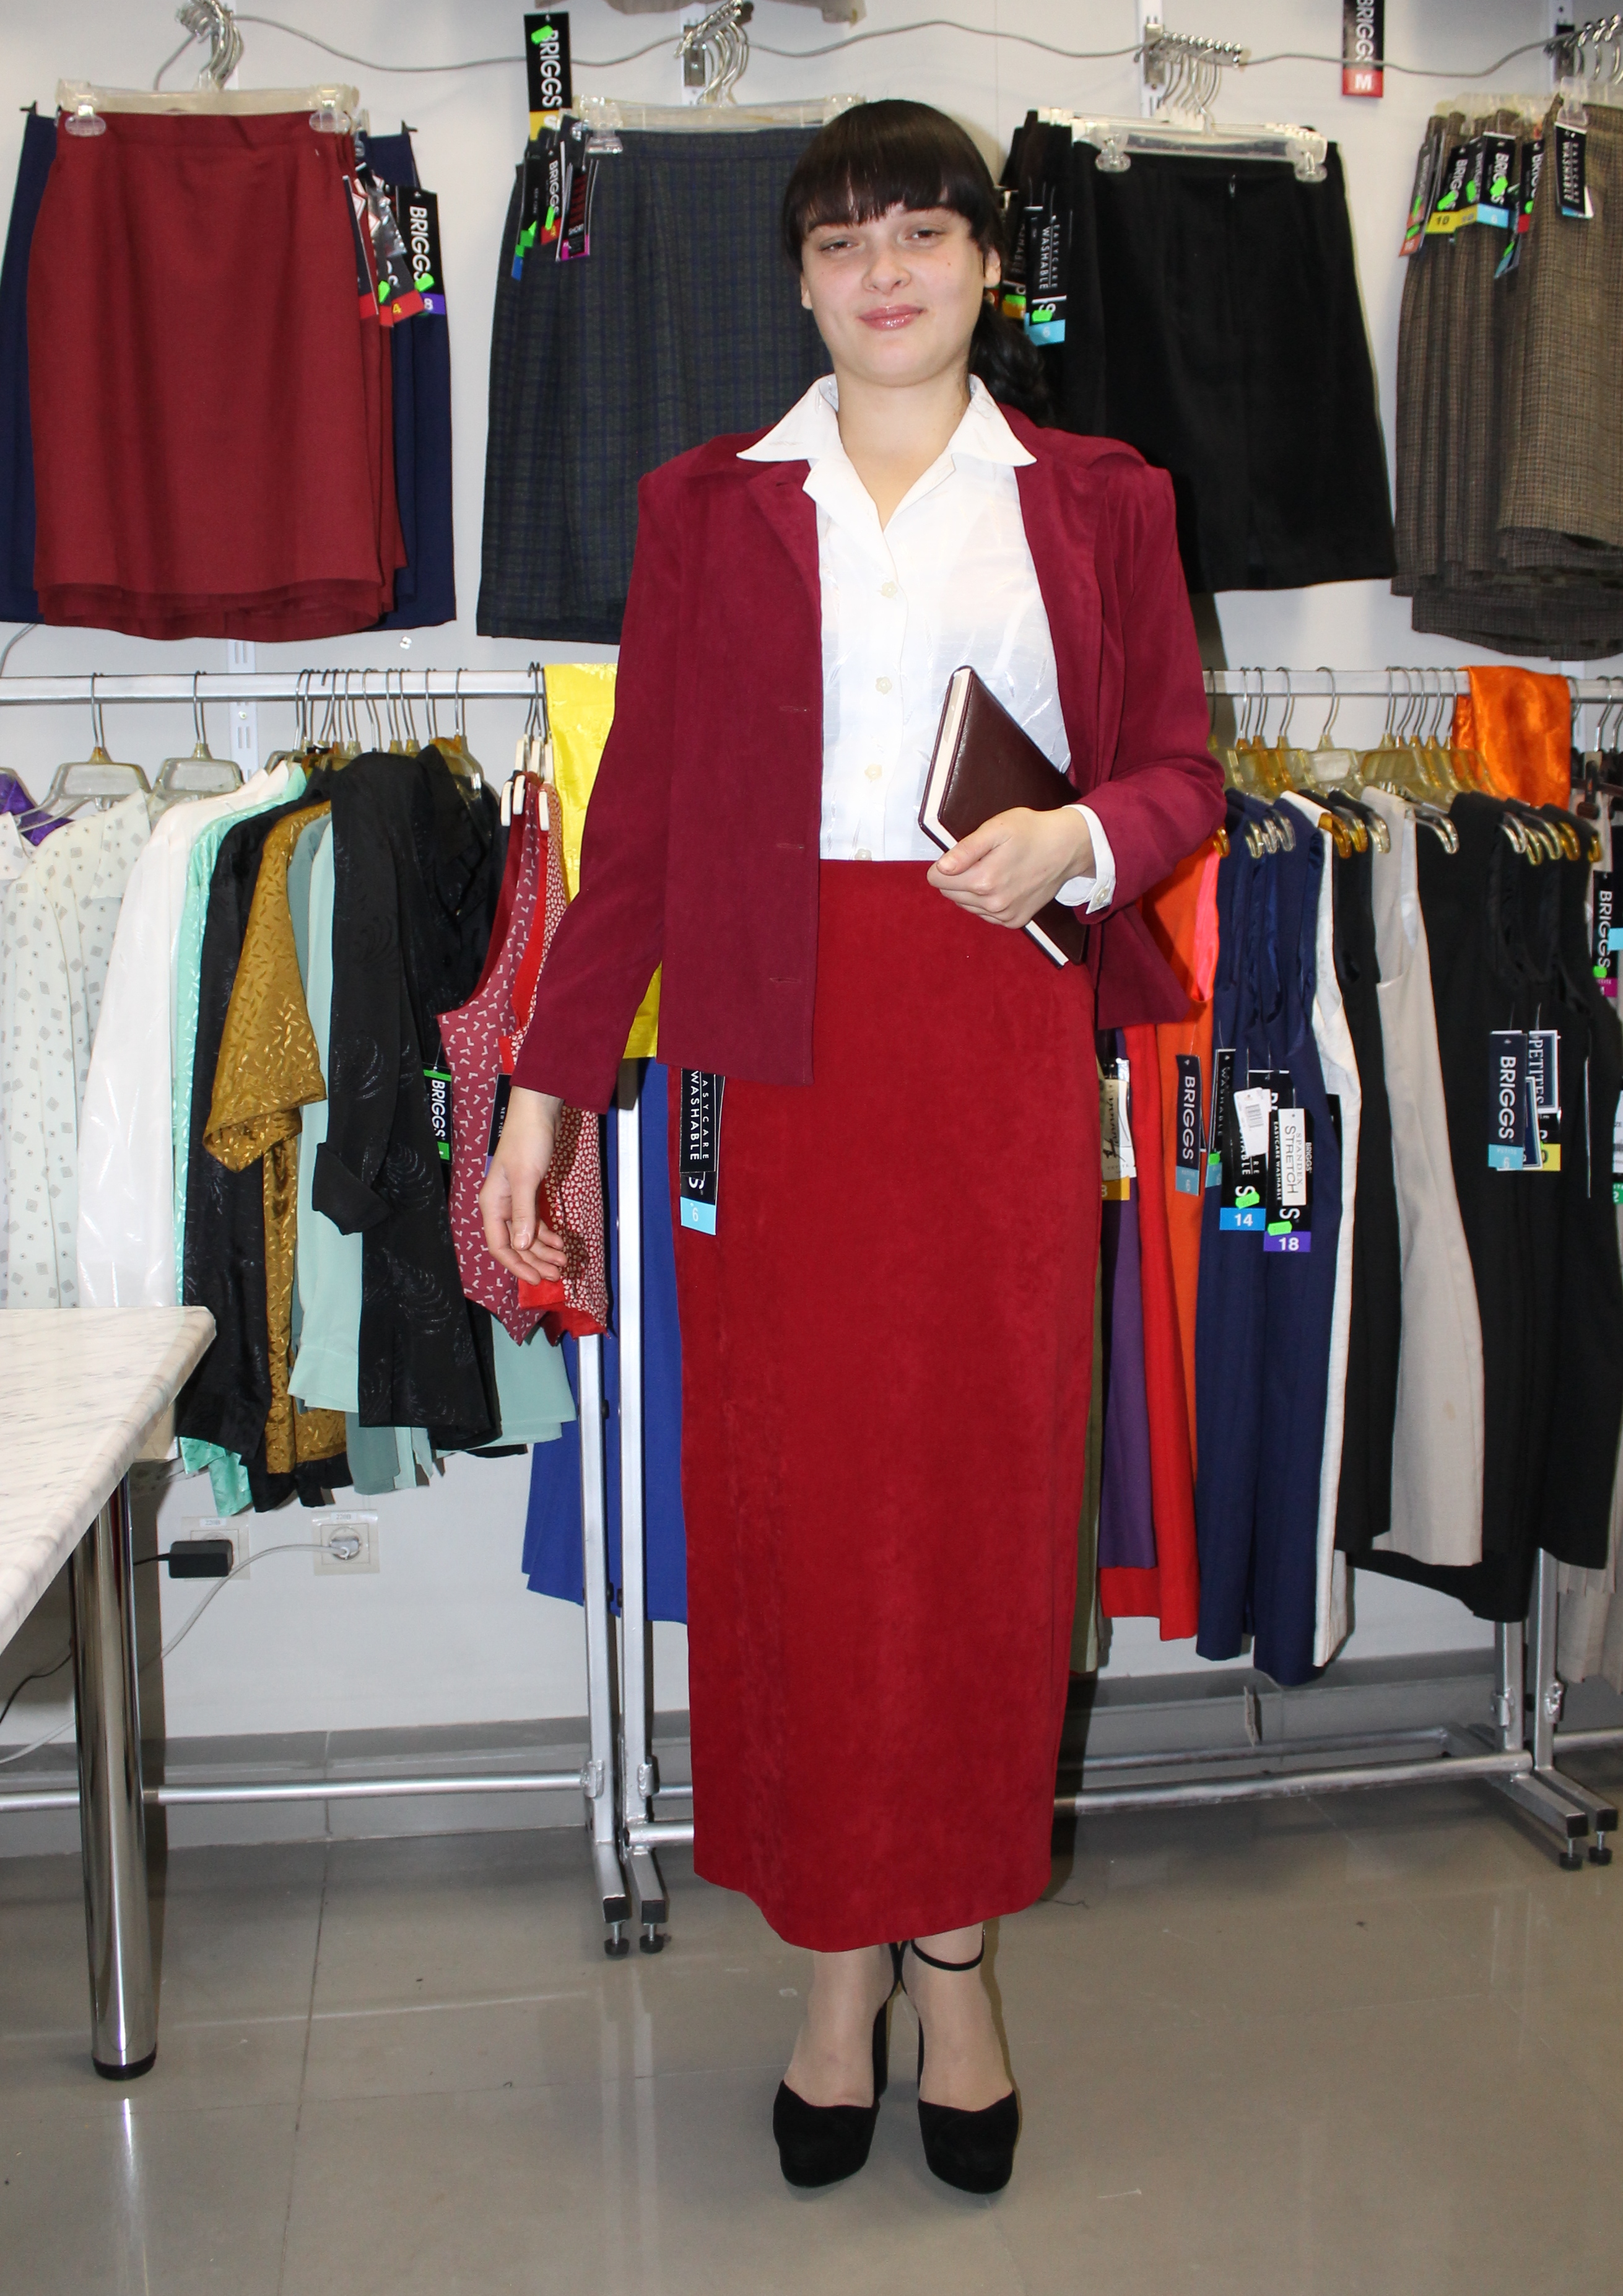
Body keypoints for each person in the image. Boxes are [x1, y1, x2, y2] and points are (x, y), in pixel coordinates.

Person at [481, 99, 1223, 2196]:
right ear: (800, 283)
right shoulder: (710, 508)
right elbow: (635, 834)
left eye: (921, 230)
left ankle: (956, 1960)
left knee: (983, 1509)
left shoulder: (1099, 499)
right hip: (767, 1072)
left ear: (989, 261)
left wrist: (1079, 836)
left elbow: (1184, 773)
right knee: (797, 1518)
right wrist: (544, 1092)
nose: (884, 270)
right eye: (842, 241)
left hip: (992, 1046)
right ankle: (832, 1965)